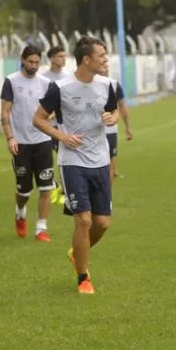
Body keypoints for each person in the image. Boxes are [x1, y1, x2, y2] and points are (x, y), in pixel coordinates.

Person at [33, 36, 119, 295]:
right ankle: (83, 277)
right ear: (86, 59)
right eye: (102, 55)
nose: (105, 59)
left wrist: (110, 117)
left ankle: (76, 253)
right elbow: (38, 120)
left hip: (100, 160)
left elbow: (113, 112)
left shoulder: (107, 85)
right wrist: (62, 136)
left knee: (102, 223)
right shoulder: (60, 88)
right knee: (83, 219)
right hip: (72, 162)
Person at [0, 45, 55, 241]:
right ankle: (20, 211)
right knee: (24, 191)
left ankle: (41, 228)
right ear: (22, 60)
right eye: (30, 62)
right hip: (21, 143)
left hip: (43, 141)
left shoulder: (46, 83)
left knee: (46, 187)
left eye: (36, 62)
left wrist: (50, 119)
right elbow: (5, 112)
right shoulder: (12, 82)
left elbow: (54, 109)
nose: (33, 66)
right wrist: (10, 137)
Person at [42, 46, 72, 205]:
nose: (63, 59)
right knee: (45, 161)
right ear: (52, 58)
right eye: (60, 56)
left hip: (62, 126)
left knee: (64, 157)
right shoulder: (43, 78)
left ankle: (66, 189)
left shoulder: (68, 76)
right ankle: (54, 185)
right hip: (45, 127)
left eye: (64, 56)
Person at [100, 61, 134, 184]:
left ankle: (106, 196)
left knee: (109, 162)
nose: (106, 68)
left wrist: (128, 127)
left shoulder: (114, 85)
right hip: (91, 131)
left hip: (109, 131)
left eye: (106, 66)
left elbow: (122, 106)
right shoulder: (86, 85)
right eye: (103, 65)